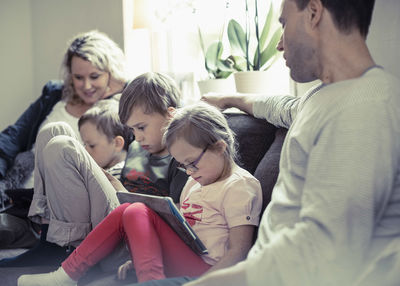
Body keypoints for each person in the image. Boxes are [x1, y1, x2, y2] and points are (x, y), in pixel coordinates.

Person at [119, 0, 400, 285]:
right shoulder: (321, 98)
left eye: (284, 23)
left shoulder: (364, 108)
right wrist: (230, 98)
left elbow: (322, 248)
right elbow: (277, 106)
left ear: (314, 13)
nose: (279, 44)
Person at [17, 102, 263, 286]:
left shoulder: (239, 186)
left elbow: (239, 252)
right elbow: (180, 232)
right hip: (184, 257)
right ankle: (69, 273)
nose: (189, 172)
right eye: (183, 166)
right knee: (132, 209)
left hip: (205, 269)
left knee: (134, 209)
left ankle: (72, 275)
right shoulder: (196, 181)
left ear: (220, 147)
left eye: (192, 163)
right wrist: (139, 256)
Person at [0, 30, 129, 249]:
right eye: (78, 77)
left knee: (60, 140)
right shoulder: (54, 94)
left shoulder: (117, 109)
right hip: (23, 199)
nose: (86, 86)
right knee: (53, 130)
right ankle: (39, 227)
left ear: (110, 72)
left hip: (70, 203)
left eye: (95, 76)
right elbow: (10, 139)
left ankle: (53, 235)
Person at [78, 99, 133, 179]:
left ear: (117, 144)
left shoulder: (118, 176)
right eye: (84, 144)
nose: (85, 151)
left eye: (92, 145)